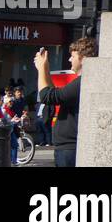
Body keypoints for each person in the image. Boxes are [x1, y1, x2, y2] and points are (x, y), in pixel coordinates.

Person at [34, 37, 95, 168]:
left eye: (73, 56)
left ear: (83, 59)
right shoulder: (82, 81)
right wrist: (46, 68)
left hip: (70, 148)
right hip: (68, 147)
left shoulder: (83, 82)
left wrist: (40, 69)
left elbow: (47, 96)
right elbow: (54, 95)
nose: (69, 59)